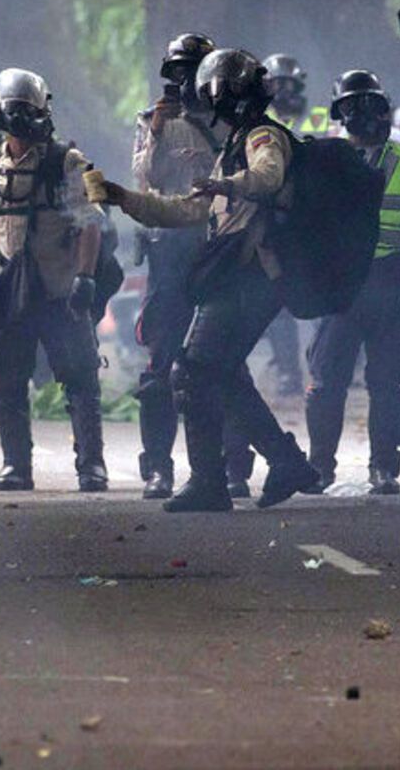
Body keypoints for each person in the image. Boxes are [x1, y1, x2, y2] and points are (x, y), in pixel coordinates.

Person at [88, 48, 321, 511]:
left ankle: (210, 482)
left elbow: (267, 177)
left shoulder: (262, 137)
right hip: (234, 276)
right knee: (224, 374)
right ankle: (286, 461)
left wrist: (229, 184)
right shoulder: (235, 145)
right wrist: (122, 197)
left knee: (193, 371)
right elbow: (189, 209)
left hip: (253, 275)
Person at [0, 68, 107, 492]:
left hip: (60, 289)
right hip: (9, 291)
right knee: (8, 380)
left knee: (79, 377)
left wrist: (86, 279)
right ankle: (16, 465)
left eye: (27, 110)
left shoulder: (68, 162)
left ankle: (91, 465)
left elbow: (93, 221)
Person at [131, 32, 256, 500]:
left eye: (193, 70)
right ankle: (158, 469)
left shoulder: (232, 118)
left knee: (224, 360)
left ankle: (234, 467)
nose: (184, 81)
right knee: (161, 363)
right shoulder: (152, 120)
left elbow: (246, 172)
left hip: (218, 245)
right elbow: (144, 180)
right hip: (170, 249)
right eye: (177, 72)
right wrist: (160, 134)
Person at [303, 70, 400, 495]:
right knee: (325, 382)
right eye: (351, 107)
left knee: (388, 382)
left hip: (391, 281)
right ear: (339, 112)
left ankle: (384, 468)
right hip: (341, 289)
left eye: (369, 104)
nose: (362, 116)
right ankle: (319, 467)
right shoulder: (324, 157)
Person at [258, 52, 314, 396]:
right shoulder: (259, 122)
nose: (282, 91)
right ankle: (288, 372)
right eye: (275, 84)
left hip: (311, 220)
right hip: (277, 221)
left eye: (288, 84)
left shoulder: (319, 117)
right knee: (278, 300)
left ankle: (335, 365)